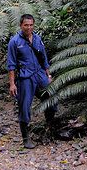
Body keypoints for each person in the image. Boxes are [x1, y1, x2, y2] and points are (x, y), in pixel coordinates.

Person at [7, 14, 57, 148]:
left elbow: (44, 58)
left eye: (31, 25)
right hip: (25, 77)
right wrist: (12, 84)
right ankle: (26, 138)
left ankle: (49, 127)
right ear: (21, 25)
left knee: (51, 98)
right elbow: (11, 65)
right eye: (26, 25)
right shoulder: (14, 42)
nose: (28, 27)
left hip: (40, 74)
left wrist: (48, 75)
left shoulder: (37, 38)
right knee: (24, 106)